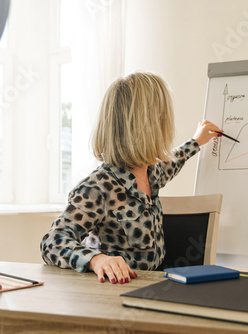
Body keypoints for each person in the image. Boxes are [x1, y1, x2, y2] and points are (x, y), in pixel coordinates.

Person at [40, 72, 222, 284]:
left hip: (154, 283)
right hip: (117, 290)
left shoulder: (152, 172)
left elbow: (174, 161)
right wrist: (96, 260)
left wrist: (197, 140)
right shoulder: (98, 187)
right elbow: (53, 241)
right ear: (150, 126)